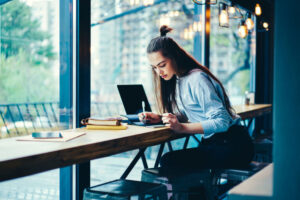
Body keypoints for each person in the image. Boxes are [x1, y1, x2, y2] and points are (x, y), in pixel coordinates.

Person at [138, 25, 254, 175]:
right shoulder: (180, 79)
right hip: (218, 143)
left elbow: (222, 122)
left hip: (234, 146)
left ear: (175, 56)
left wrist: (182, 128)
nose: (159, 72)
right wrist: (160, 118)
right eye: (154, 67)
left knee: (169, 161)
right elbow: (193, 114)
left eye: (162, 65)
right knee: (171, 161)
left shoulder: (196, 78)